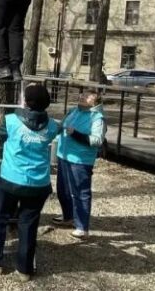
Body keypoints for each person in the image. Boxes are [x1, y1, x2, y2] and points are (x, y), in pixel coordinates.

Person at [0, 83, 60, 282]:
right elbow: (56, 131)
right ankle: (25, 268)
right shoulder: (52, 126)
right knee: (28, 224)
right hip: (38, 184)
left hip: (11, 180)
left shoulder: (11, 121)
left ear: (26, 101)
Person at [54, 90, 105, 238]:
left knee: (81, 193)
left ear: (95, 102)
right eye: (83, 95)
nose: (83, 97)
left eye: (88, 96)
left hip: (81, 161)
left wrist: (76, 134)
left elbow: (97, 140)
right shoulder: (73, 111)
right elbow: (61, 127)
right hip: (64, 155)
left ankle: (82, 227)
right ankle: (68, 217)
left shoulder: (97, 118)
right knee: (62, 190)